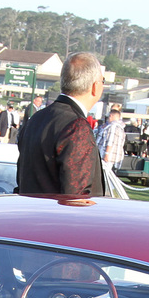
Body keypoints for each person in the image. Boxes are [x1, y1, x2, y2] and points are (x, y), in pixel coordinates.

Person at [15, 51, 106, 197]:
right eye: (103, 81)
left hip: (32, 214)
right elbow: (76, 196)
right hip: (59, 218)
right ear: (95, 86)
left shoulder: (36, 119)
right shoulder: (76, 127)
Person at [97, 105, 126, 169]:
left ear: (111, 116)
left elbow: (110, 141)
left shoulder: (113, 126)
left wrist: (107, 154)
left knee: (104, 174)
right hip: (115, 155)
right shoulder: (121, 127)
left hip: (107, 155)